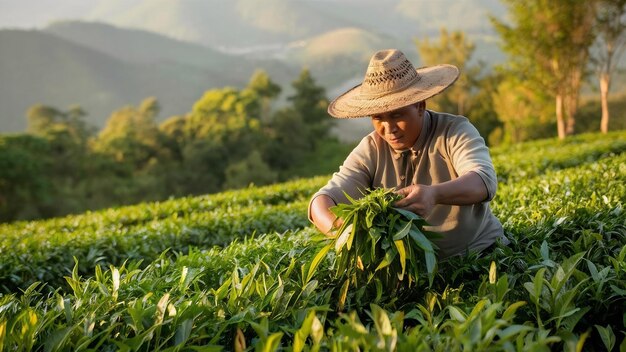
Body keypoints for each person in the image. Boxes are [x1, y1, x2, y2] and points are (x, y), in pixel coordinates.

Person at [308, 49, 508, 259]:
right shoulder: (371, 148)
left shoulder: (453, 131)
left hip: (479, 254)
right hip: (414, 272)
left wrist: (434, 194)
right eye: (378, 118)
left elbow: (483, 181)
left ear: (420, 106)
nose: (388, 128)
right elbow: (322, 200)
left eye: (397, 115)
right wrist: (342, 231)